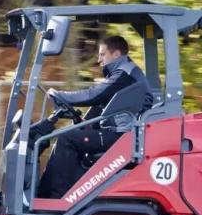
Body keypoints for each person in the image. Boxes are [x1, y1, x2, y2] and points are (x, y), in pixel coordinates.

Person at [37, 35, 149, 199]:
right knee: (70, 134)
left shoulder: (124, 74)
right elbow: (101, 105)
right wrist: (85, 124)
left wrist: (61, 95)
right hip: (122, 133)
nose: (99, 59)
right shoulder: (125, 73)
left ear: (116, 54)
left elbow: (95, 95)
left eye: (103, 54)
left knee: (67, 139)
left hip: (123, 136)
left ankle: (56, 199)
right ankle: (44, 195)